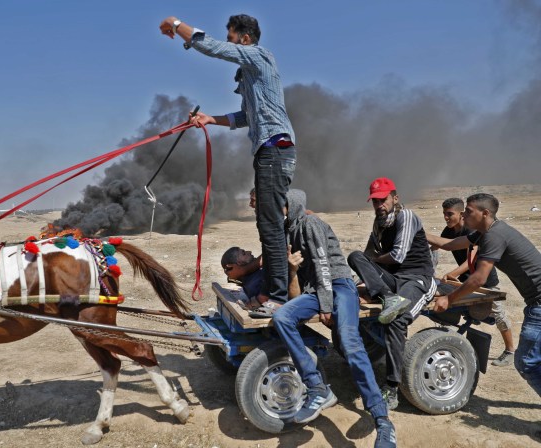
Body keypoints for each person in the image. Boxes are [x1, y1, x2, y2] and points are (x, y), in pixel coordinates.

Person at [160, 14, 296, 316]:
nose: (231, 43)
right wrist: (211, 119)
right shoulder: (251, 76)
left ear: (245, 39)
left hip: (275, 146)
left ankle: (277, 297)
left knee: (271, 225)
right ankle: (271, 292)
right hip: (267, 148)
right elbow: (245, 116)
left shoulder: (259, 56)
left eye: (233, 37)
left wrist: (175, 23)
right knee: (266, 223)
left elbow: (213, 48)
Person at [270, 189, 395, 447]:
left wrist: (326, 304)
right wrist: (292, 270)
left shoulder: (310, 223)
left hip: (339, 286)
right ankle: (317, 387)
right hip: (317, 290)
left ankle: (383, 420)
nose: (278, 211)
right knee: (283, 316)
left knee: (350, 344)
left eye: (282, 206)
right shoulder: (289, 231)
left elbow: (322, 263)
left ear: (292, 204)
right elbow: (301, 283)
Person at [428, 193, 541, 396]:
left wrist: (449, 298)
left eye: (469, 211)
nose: (465, 215)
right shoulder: (482, 233)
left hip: (539, 303)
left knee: (526, 362)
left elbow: (478, 278)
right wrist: (417, 232)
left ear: (485, 213)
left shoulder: (494, 235)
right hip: (536, 301)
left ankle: (509, 349)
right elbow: (448, 244)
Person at [347, 177, 436, 410]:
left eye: (382, 200)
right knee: (354, 256)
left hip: (417, 279)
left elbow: (397, 256)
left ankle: (392, 386)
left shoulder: (406, 216)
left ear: (395, 198)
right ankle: (388, 297)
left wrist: (373, 264)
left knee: (396, 320)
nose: (379, 205)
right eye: (375, 201)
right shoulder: (378, 224)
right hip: (392, 281)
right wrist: (360, 281)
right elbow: (365, 257)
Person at [431, 197, 515, 366]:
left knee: (498, 315)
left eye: (449, 214)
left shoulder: (470, 231)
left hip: (484, 281)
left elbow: (472, 257)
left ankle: (510, 350)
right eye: (444, 214)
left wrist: (452, 273)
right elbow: (436, 246)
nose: (446, 218)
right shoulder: (448, 232)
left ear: (462, 214)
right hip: (463, 282)